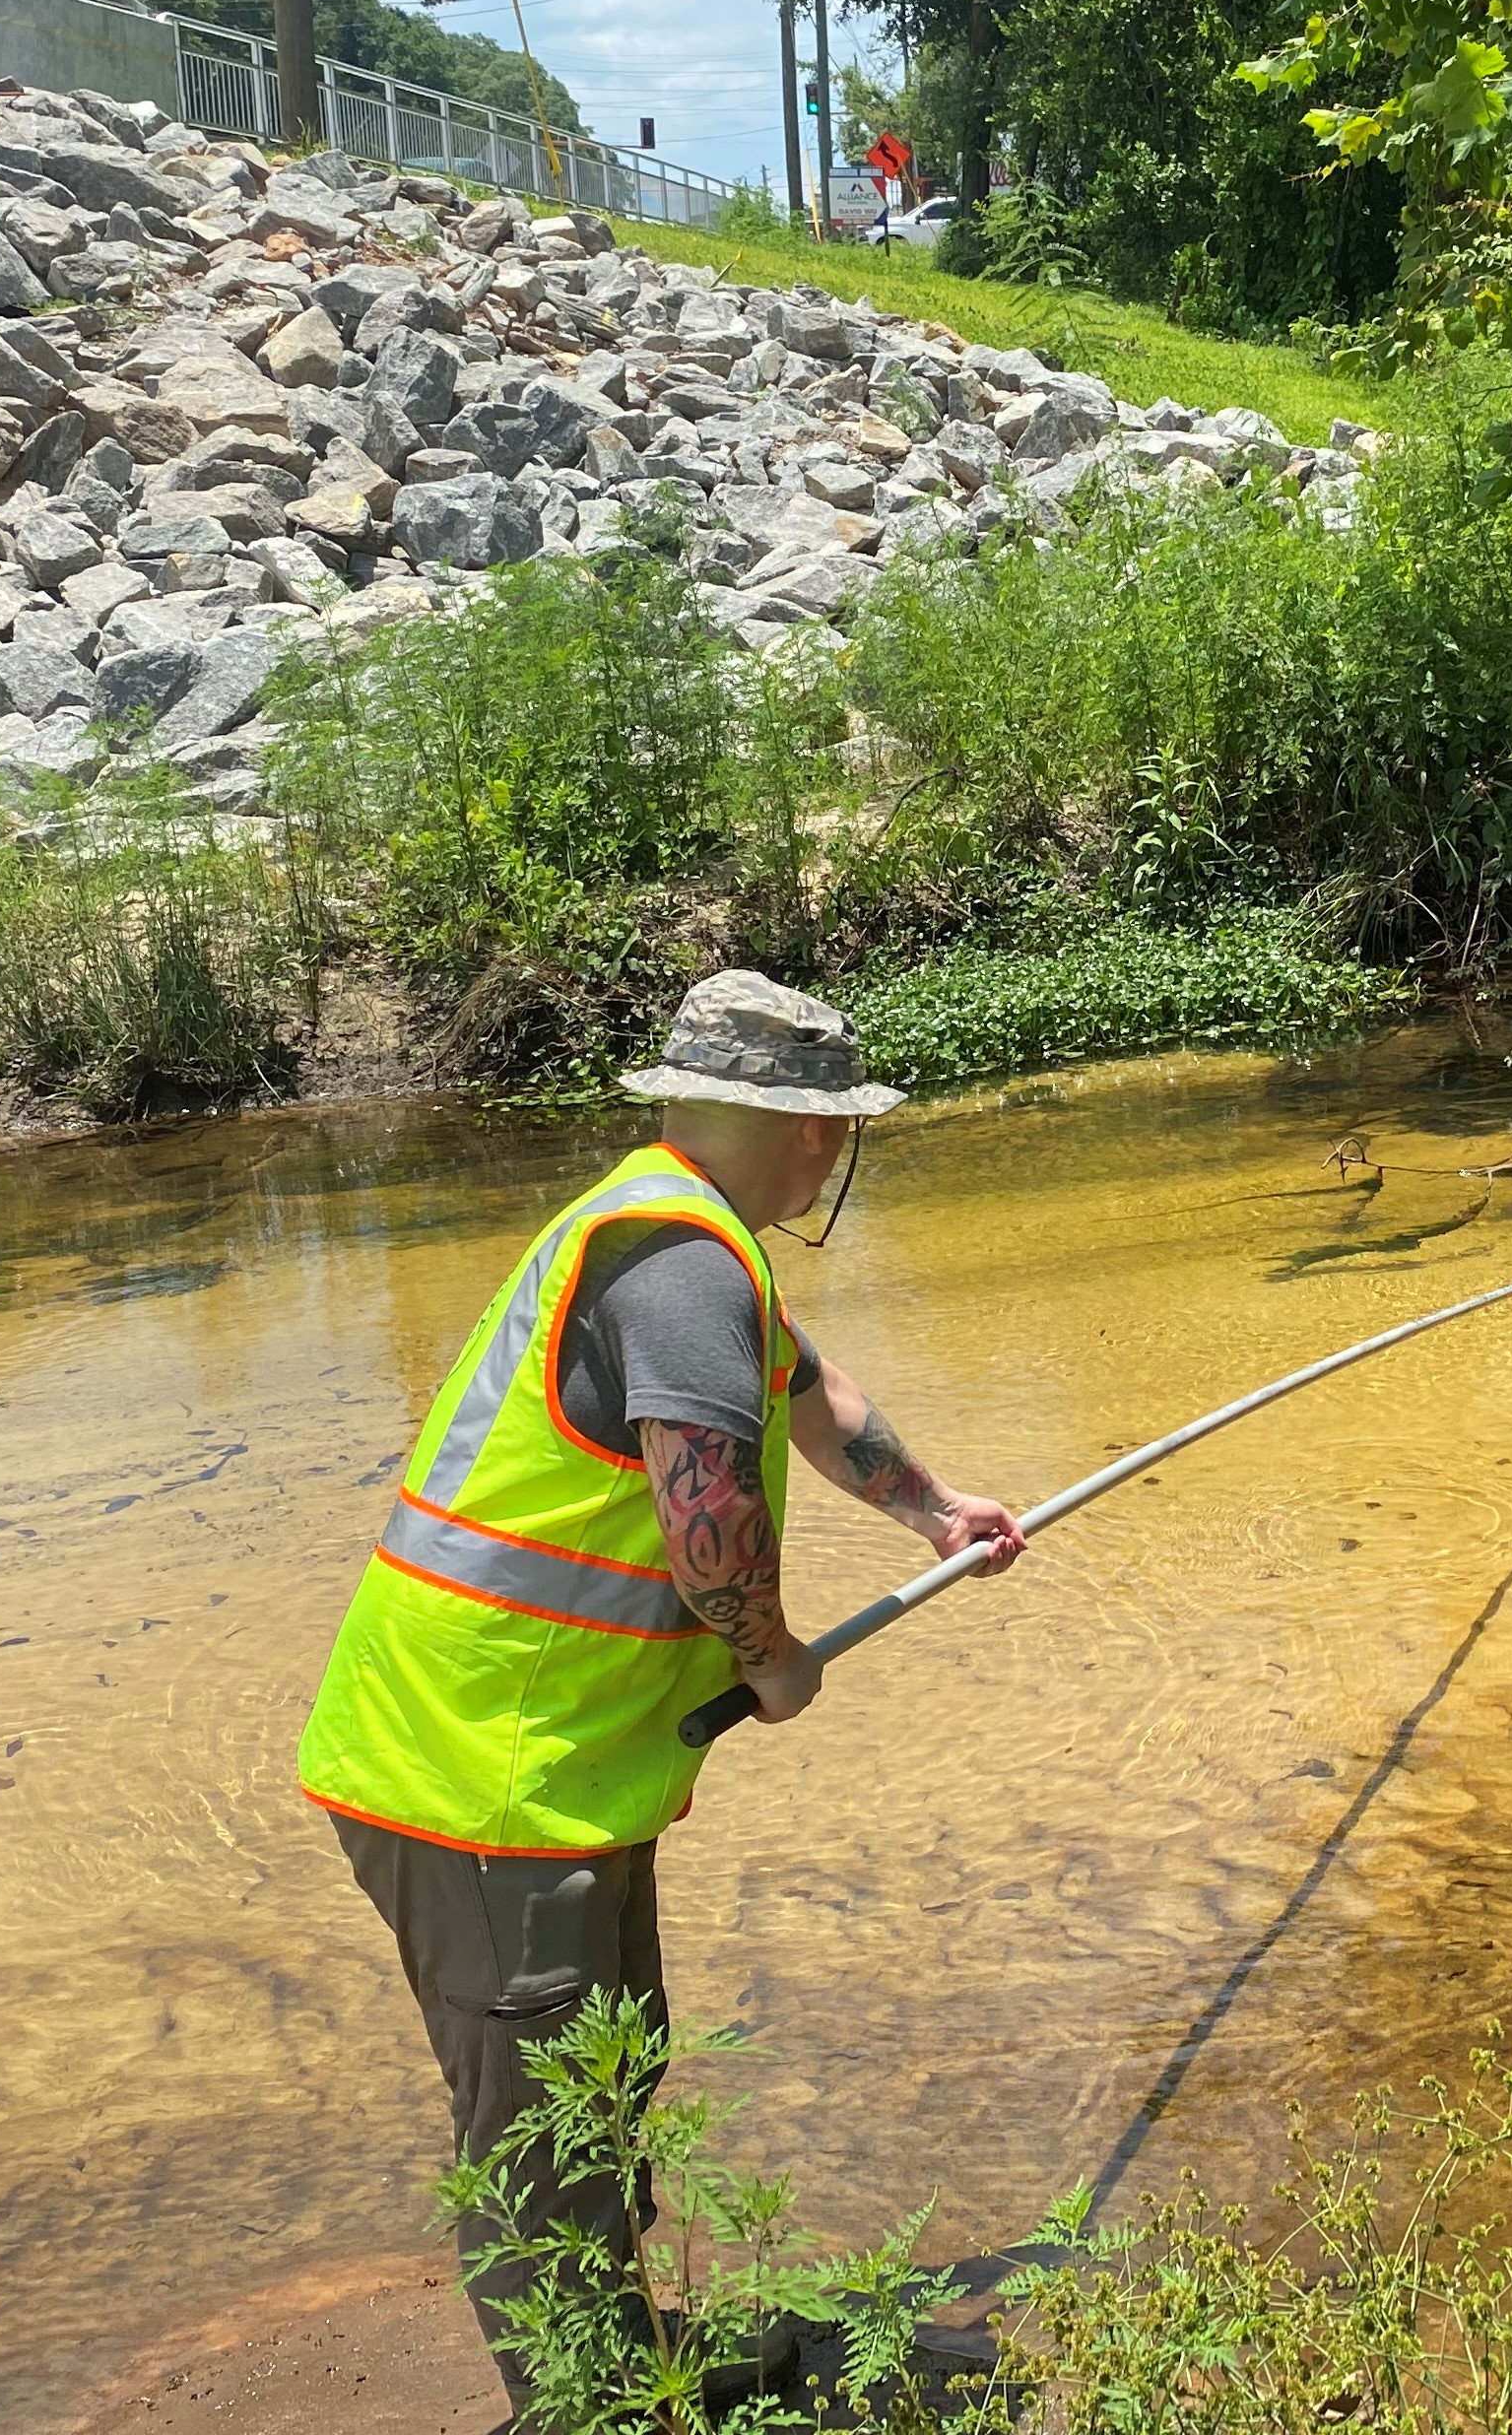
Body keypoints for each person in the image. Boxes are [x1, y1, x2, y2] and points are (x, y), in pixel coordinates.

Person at [296, 970, 1025, 2418]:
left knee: (610, 2082)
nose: (834, 1154)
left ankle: (622, 2362)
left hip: (556, 1776)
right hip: (480, 1786)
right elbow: (708, 1529)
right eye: (827, 1128)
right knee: (542, 2156)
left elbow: (810, 1391)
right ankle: (592, 2409)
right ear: (776, 1123)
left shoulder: (682, 1233)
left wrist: (936, 1512)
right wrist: (771, 1655)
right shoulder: (680, 1263)